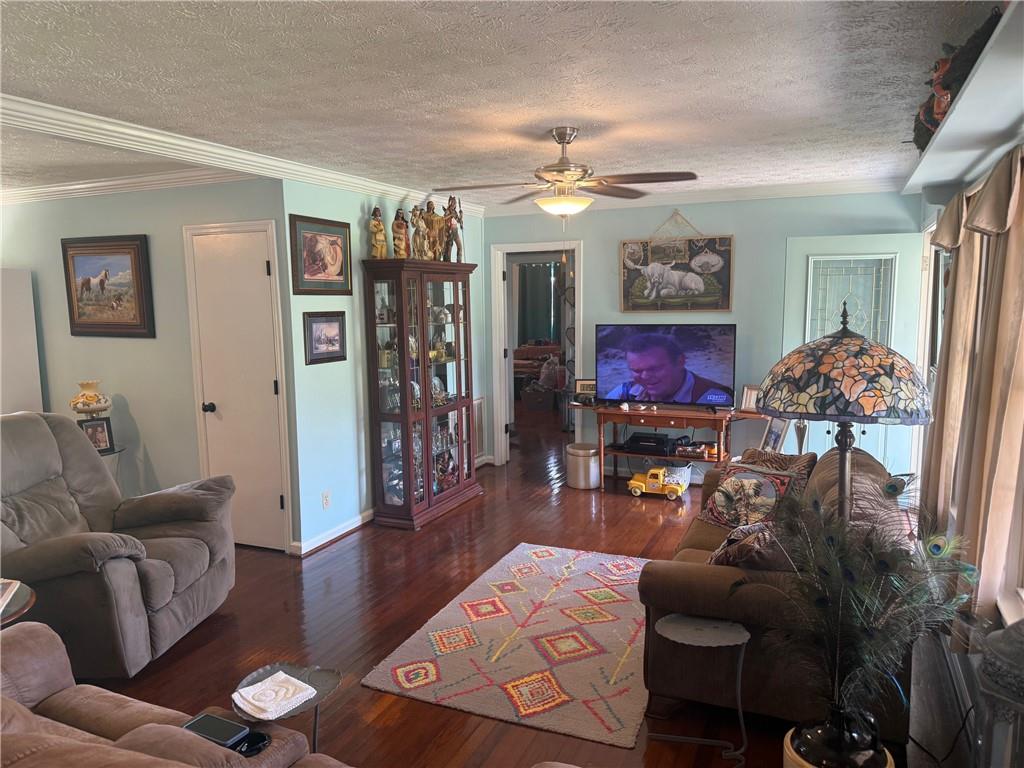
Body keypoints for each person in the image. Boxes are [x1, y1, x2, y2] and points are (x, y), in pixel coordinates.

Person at [606, 333, 732, 406]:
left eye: (654, 369)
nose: (644, 377)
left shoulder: (713, 397)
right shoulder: (623, 392)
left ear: (680, 362)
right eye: (637, 371)